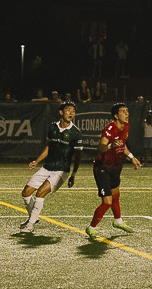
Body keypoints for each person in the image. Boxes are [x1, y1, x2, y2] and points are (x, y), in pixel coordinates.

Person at [18, 100, 83, 233]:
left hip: (61, 170)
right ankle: (33, 217)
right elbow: (48, 147)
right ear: (61, 112)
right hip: (47, 167)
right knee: (26, 193)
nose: (71, 113)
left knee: (40, 192)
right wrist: (37, 161)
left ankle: (30, 225)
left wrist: (73, 175)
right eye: (68, 110)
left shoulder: (75, 132)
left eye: (73, 111)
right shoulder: (53, 127)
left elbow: (78, 156)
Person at [85, 103, 142, 237]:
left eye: (127, 111)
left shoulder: (126, 126)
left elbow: (123, 145)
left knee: (116, 196)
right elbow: (101, 147)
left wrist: (132, 157)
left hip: (116, 167)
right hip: (103, 168)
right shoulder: (110, 128)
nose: (126, 113)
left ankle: (118, 221)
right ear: (116, 116)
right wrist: (111, 145)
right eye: (123, 111)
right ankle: (91, 227)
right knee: (107, 202)